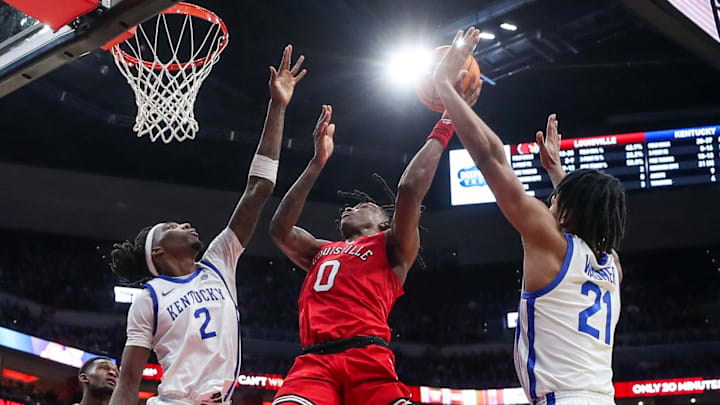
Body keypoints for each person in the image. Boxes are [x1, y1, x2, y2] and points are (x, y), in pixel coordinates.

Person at [433, 28, 627, 405]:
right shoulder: (612, 266)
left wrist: (446, 86)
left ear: (566, 212)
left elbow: (492, 158)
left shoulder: (551, 242)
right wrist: (557, 173)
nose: (548, 206)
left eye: (555, 202)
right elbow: (583, 214)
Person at [108, 45, 307, 405]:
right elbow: (128, 381)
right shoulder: (149, 298)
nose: (186, 223)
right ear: (159, 250)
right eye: (173, 225)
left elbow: (259, 188)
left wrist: (277, 106)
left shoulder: (218, 263)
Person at [269, 80, 480, 405]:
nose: (350, 207)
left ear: (383, 223)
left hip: (367, 359)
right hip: (314, 364)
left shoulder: (393, 245)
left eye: (363, 205)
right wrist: (316, 164)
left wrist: (448, 121)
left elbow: (409, 188)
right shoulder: (320, 250)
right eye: (350, 206)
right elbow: (280, 229)